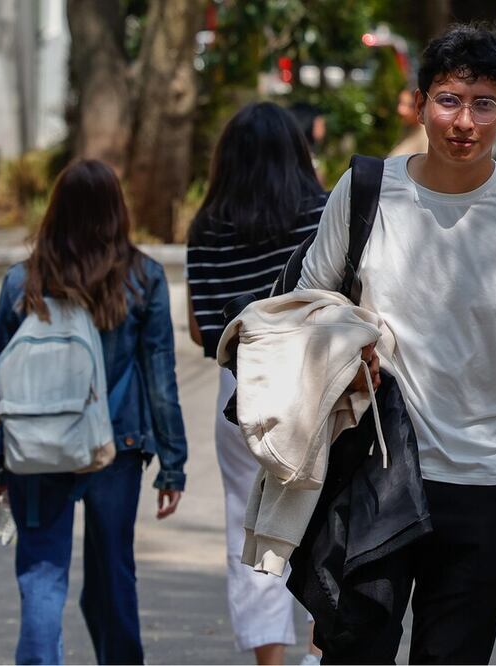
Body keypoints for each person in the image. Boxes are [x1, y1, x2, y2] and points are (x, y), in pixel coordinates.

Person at [298, 24, 496, 663]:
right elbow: (307, 310)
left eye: (483, 103)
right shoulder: (364, 192)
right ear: (420, 105)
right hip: (373, 467)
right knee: (353, 654)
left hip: (485, 480)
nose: (463, 121)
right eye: (448, 100)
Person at [0, 159, 188, 665]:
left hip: (35, 449)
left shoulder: (22, 282)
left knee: (40, 573)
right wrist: (173, 462)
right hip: (115, 449)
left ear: (55, 212)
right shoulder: (143, 278)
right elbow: (159, 376)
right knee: (113, 573)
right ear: (117, 213)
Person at [185, 102, 327, 665]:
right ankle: (321, 653)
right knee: (324, 523)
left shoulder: (207, 226)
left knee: (250, 535)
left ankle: (268, 663)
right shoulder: (319, 215)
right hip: (314, 390)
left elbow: (201, 327)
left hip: (240, 394)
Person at [388, 88, 429, 157]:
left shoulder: (426, 135)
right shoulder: (406, 128)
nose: (400, 110)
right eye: (400, 103)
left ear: (419, 107)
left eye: (408, 105)